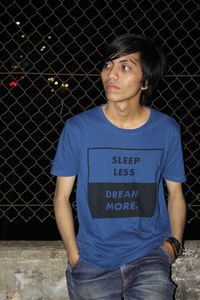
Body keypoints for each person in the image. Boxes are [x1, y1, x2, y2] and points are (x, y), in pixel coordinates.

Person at [51, 34, 186, 300]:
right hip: (92, 261)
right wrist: (74, 255)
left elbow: (176, 194)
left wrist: (173, 245)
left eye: (125, 67)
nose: (111, 74)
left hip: (148, 256)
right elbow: (61, 197)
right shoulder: (78, 128)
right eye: (108, 65)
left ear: (145, 81)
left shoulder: (166, 130)